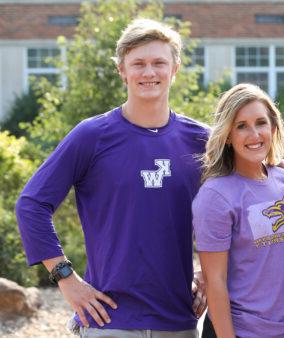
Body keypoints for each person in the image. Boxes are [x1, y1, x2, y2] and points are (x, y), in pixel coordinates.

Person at [15, 18, 208, 337]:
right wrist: (66, 278)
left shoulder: (201, 140)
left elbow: (241, 199)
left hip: (179, 320)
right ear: (122, 70)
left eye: (159, 62)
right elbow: (31, 204)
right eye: (138, 64)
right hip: (109, 320)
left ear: (175, 68)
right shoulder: (91, 136)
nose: (149, 72)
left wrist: (209, 273)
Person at [192, 83, 284, 338]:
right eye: (241, 126)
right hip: (238, 332)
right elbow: (215, 281)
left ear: (273, 128)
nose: (254, 134)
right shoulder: (215, 195)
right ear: (227, 135)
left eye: (261, 123)